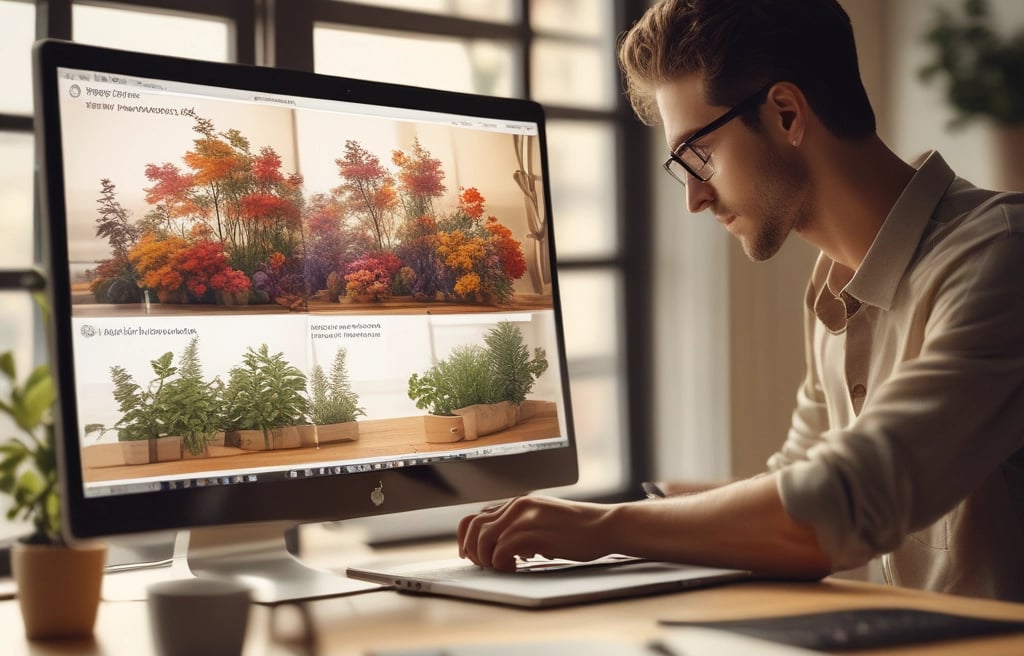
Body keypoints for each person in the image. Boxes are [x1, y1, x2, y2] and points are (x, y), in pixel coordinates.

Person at [457, 0, 1024, 601]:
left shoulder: (999, 256)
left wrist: (603, 526)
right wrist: (663, 510)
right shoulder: (834, 289)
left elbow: (836, 505)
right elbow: (801, 482)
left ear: (785, 113)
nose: (694, 198)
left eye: (697, 155)